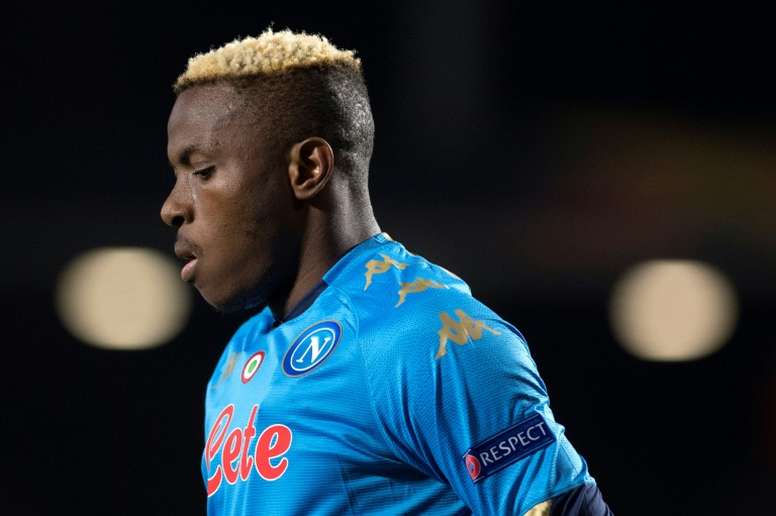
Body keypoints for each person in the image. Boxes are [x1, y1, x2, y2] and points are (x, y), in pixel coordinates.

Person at [161, 28, 612, 515]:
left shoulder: (430, 337)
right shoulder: (239, 355)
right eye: (176, 176)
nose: (172, 207)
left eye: (202, 171)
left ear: (308, 168)